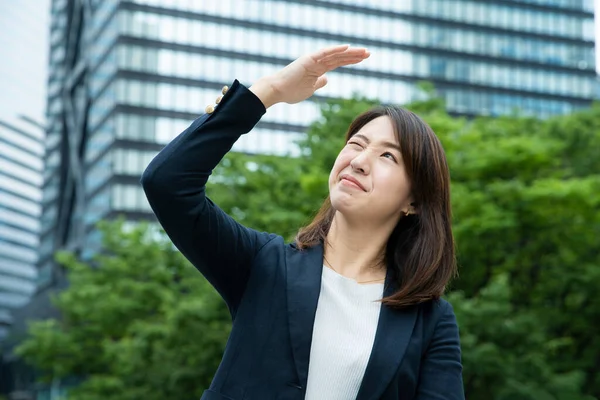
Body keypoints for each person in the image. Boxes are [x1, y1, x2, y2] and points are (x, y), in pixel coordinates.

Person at [141, 45, 464, 400]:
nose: (359, 161)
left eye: (388, 155)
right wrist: (271, 91)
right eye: (357, 144)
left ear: (414, 201)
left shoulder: (430, 321)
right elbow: (167, 183)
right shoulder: (264, 264)